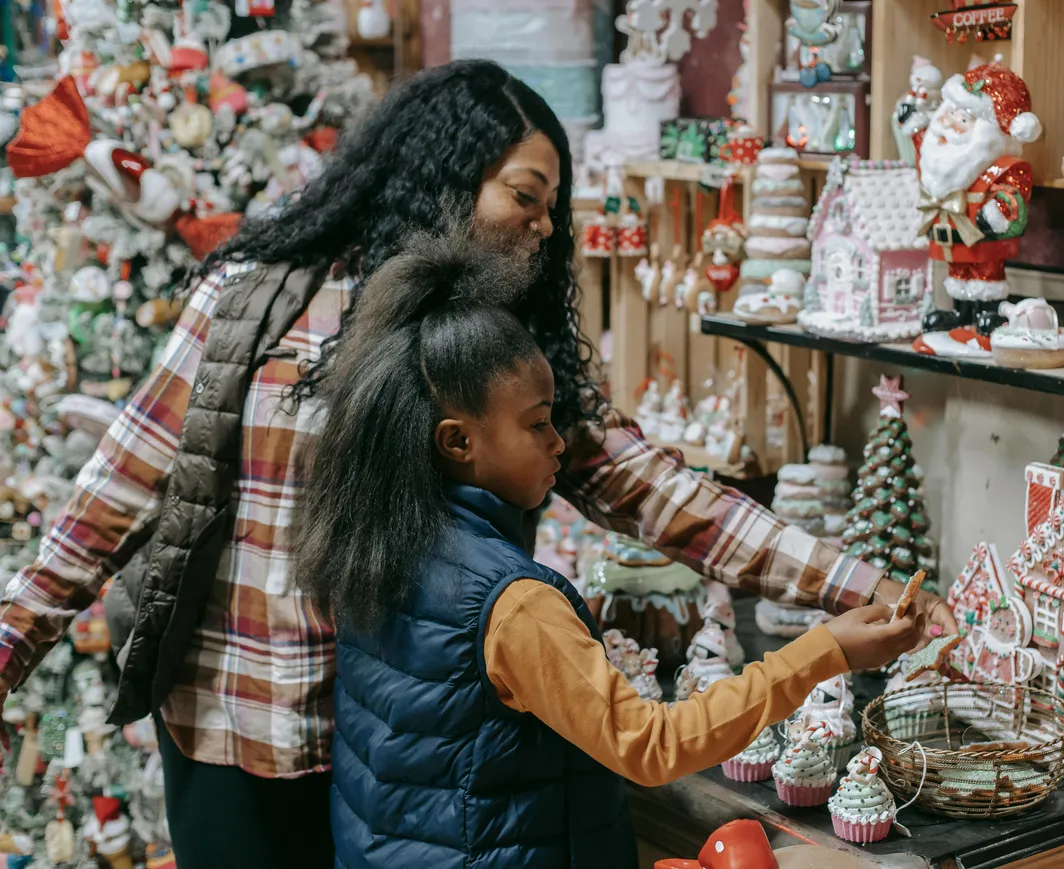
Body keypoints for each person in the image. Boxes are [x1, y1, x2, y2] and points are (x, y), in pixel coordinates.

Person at [0, 60, 956, 868]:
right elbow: (112, 494)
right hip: (230, 729)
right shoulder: (257, 300)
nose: (543, 228)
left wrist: (859, 585)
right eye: (524, 197)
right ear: (444, 174)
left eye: (552, 208)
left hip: (400, 757)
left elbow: (664, 492)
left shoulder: (490, 353)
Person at [306, 236, 926, 868]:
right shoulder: (512, 605)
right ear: (458, 441)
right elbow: (651, 745)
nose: (559, 446)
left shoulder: (374, 536)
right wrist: (828, 652)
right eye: (538, 423)